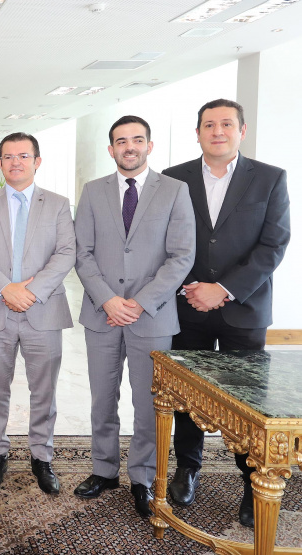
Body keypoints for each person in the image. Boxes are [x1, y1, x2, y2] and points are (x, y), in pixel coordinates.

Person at [162, 99, 290, 527]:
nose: (218, 131)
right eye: (209, 125)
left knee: (247, 404)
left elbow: (273, 245)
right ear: (197, 132)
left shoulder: (270, 178)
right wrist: (196, 289)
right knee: (187, 395)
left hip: (245, 308)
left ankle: (252, 483)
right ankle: (188, 468)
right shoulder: (173, 178)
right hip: (188, 304)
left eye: (226, 124)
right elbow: (164, 242)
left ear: (242, 130)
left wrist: (225, 289)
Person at [73, 115, 196, 518]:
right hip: (102, 314)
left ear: (149, 145)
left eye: (137, 139)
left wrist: (139, 302)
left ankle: (143, 478)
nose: (129, 146)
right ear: (111, 149)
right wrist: (109, 299)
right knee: (102, 398)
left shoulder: (176, 191)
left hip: (152, 317)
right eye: (121, 141)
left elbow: (181, 257)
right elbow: (82, 253)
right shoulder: (92, 192)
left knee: (149, 405)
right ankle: (104, 470)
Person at [0, 132, 75, 494]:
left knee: (44, 390)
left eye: (23, 156)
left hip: (42, 309)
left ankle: (41, 456)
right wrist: (5, 288)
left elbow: (66, 253)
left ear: (37, 161)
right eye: (8, 156)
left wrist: (30, 290)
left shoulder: (58, 204)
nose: (15, 162)